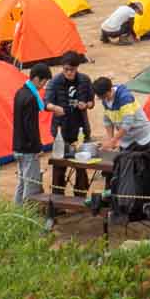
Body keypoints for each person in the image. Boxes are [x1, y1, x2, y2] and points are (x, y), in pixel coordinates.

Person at [12, 63, 64, 206]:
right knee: (31, 185)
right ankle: (27, 215)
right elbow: (31, 127)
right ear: (36, 79)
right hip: (28, 149)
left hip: (17, 146)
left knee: (22, 182)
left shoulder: (20, 92)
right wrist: (37, 146)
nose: (43, 85)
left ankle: (16, 212)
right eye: (43, 82)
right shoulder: (30, 98)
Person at [45, 51, 94, 196]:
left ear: (77, 67)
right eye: (66, 69)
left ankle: (80, 196)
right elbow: (45, 103)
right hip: (61, 130)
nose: (69, 72)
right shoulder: (54, 82)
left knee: (81, 165)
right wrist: (54, 108)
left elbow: (92, 102)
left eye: (72, 69)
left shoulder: (85, 80)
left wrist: (86, 105)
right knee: (59, 166)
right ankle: (57, 199)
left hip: (80, 130)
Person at [92, 76, 150, 153]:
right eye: (101, 98)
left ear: (109, 90)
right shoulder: (105, 99)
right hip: (127, 141)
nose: (104, 99)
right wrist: (110, 139)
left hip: (142, 139)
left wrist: (113, 140)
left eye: (104, 97)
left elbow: (127, 123)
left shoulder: (125, 98)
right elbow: (107, 120)